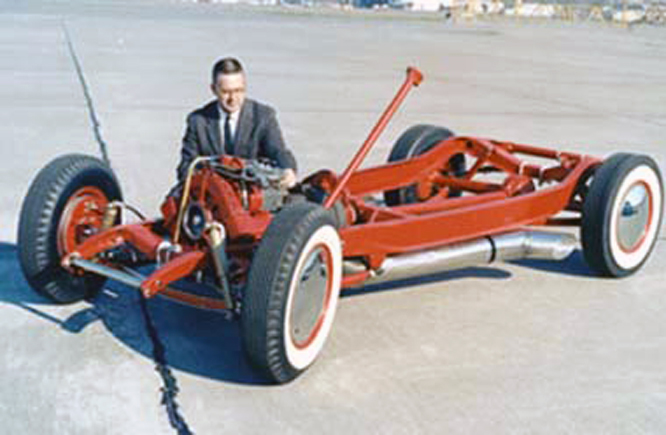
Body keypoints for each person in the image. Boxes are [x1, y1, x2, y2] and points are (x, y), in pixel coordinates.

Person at [175, 57, 298, 188]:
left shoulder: (263, 116)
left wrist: (288, 170)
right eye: (226, 92)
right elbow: (185, 167)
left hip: (252, 194)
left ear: (245, 86)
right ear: (213, 89)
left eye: (238, 90)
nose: (232, 99)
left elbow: (278, 151)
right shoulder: (197, 121)